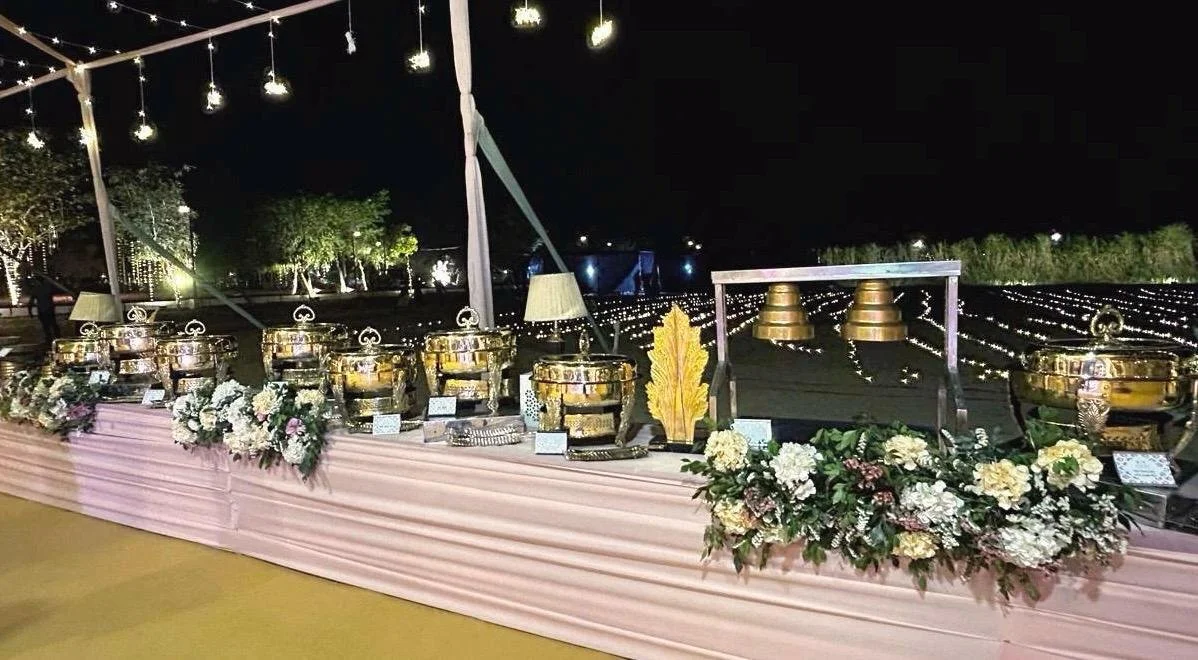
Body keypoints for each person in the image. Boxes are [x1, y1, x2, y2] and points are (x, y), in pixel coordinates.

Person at [26, 276, 60, 343]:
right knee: (53, 324)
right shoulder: (47, 288)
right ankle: (57, 337)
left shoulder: (36, 289)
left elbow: (31, 302)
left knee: (46, 326)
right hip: (49, 309)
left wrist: (30, 312)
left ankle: (49, 338)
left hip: (42, 310)